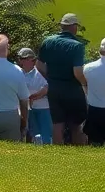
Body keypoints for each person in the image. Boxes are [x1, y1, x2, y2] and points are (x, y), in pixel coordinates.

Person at [37, 13, 89, 145]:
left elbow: (39, 65)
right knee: (76, 125)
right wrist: (85, 84)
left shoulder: (47, 41)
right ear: (74, 27)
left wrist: (50, 78)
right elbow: (77, 72)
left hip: (54, 88)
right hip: (72, 88)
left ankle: (57, 152)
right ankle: (78, 152)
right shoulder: (77, 46)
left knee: (57, 124)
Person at [17, 48, 51, 144]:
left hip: (43, 107)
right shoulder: (18, 72)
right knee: (29, 132)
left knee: (45, 135)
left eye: (23, 58)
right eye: (20, 59)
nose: (21, 61)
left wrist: (40, 93)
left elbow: (48, 85)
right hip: (25, 108)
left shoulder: (40, 72)